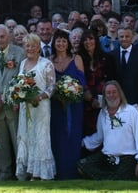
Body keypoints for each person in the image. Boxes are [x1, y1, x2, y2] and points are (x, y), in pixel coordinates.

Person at [79, 80, 138, 179]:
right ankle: (111, 179)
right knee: (82, 166)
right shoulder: (103, 113)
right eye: (108, 93)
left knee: (119, 176)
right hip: (106, 156)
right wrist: (82, 142)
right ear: (104, 96)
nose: (111, 95)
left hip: (128, 157)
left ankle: (111, 179)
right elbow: (100, 137)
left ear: (119, 93)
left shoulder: (131, 112)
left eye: (114, 92)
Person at [0, 24, 25, 181]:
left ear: (9, 37)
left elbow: (22, 78)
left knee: (18, 141)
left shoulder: (19, 53)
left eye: (2, 36)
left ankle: (22, 171)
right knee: (1, 143)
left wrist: (14, 96)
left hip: (14, 106)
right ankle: (5, 171)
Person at [15, 33, 55, 180]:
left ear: (39, 47)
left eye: (33, 45)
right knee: (26, 136)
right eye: (27, 45)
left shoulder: (46, 64)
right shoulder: (23, 63)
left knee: (40, 136)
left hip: (41, 106)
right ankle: (30, 172)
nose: (30, 48)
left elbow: (51, 87)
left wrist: (39, 96)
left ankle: (42, 173)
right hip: (25, 107)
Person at [49, 29, 85, 179]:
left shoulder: (76, 59)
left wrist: (72, 90)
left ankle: (72, 172)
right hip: (56, 105)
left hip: (74, 104)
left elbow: (82, 82)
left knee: (72, 135)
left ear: (68, 43)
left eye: (64, 40)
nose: (61, 43)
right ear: (54, 43)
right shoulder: (49, 60)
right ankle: (59, 171)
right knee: (58, 136)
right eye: (58, 40)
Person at [79, 29, 115, 136]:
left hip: (105, 102)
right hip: (84, 102)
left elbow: (113, 80)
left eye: (91, 39)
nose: (88, 42)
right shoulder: (78, 59)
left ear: (96, 40)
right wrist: (90, 98)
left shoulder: (108, 58)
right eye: (85, 40)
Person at [113, 26, 138, 112]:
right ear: (117, 37)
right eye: (121, 36)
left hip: (135, 102)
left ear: (132, 37)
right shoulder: (111, 55)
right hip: (116, 101)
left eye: (127, 36)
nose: (124, 39)